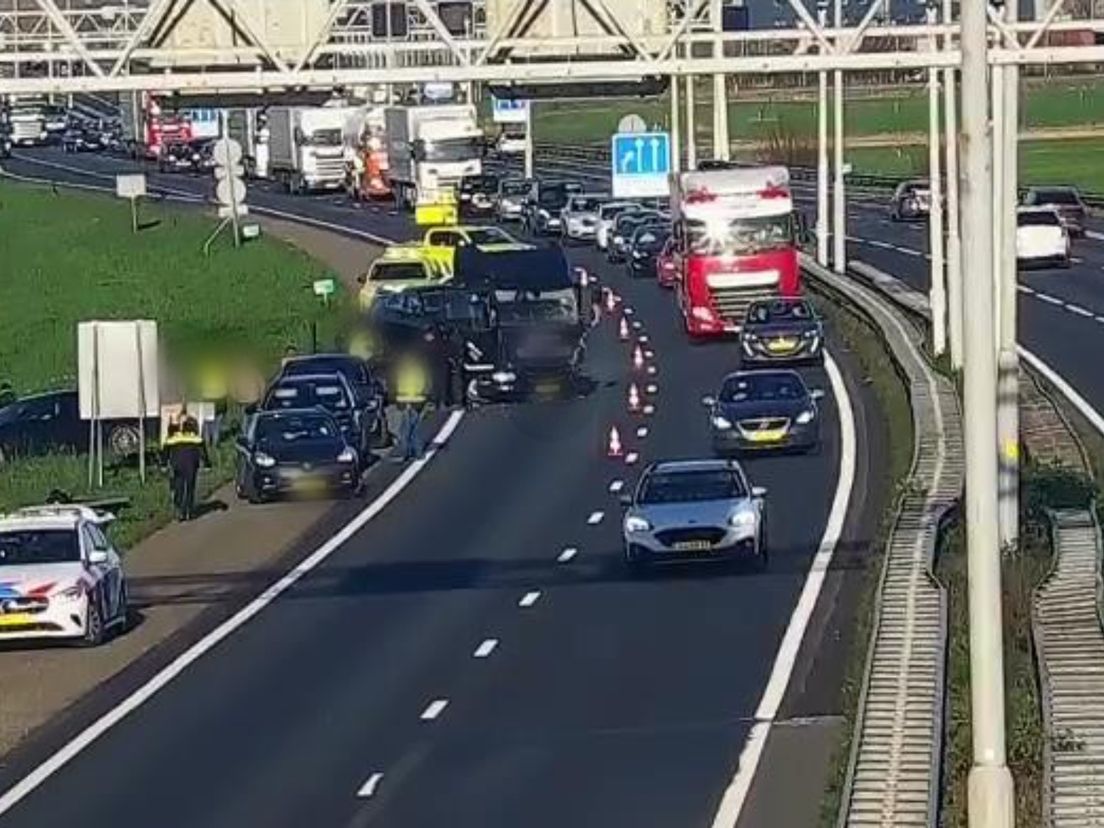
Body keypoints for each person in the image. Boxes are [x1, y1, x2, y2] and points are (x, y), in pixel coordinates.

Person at [164, 417, 209, 521]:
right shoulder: (196, 439)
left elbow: (166, 450)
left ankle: (179, 509)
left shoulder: (174, 438)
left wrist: (164, 463)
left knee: (178, 487)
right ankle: (188, 510)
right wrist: (207, 464)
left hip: (177, 465)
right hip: (191, 466)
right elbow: (203, 453)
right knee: (190, 488)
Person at [392, 350, 431, 462]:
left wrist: (403, 401)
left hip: (410, 400)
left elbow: (404, 386)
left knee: (405, 429)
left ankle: (406, 453)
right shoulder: (418, 369)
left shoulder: (406, 371)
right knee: (413, 428)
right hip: (416, 400)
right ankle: (417, 452)